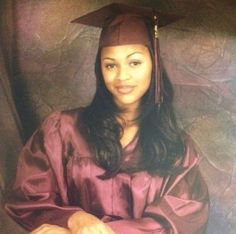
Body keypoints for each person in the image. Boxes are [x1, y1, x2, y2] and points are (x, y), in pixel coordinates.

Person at [4, 3, 209, 234]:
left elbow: (180, 220)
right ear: (99, 70)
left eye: (135, 63)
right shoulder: (61, 131)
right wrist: (73, 219)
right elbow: (28, 195)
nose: (122, 76)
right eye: (110, 65)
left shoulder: (177, 148)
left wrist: (102, 231)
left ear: (154, 65)